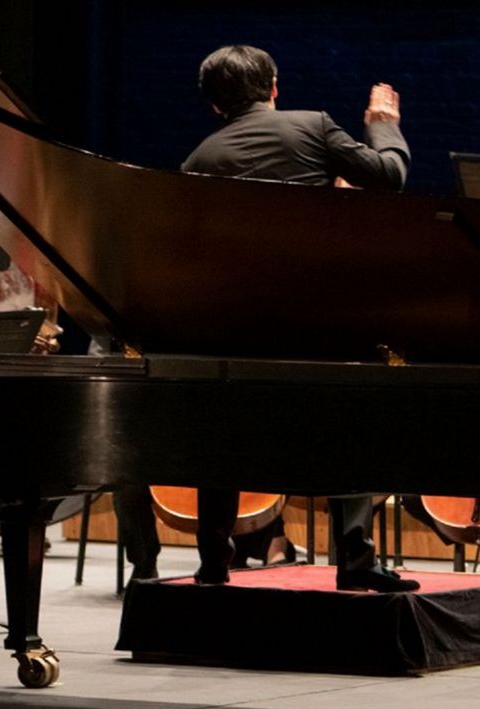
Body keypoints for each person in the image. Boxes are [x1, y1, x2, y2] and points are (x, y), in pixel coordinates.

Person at [183, 44, 416, 593]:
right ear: (274, 87)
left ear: (213, 105)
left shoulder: (198, 161)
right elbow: (388, 178)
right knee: (349, 429)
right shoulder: (311, 127)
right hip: (322, 323)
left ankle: (214, 563)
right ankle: (354, 563)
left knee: (221, 442)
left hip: (235, 329)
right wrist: (384, 127)